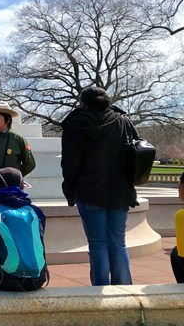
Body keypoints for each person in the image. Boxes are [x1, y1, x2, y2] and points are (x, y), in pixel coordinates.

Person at [61, 86, 136, 286]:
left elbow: (70, 163)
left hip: (89, 191)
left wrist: (70, 191)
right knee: (118, 243)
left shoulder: (75, 124)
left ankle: (99, 291)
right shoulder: (122, 121)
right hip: (119, 191)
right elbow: (135, 153)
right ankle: (124, 291)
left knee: (98, 244)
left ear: (83, 103)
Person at [0, 101, 35, 200]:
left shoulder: (18, 140)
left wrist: (13, 176)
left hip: (12, 190)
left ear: (7, 119)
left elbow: (29, 164)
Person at [170, 172, 184, 283]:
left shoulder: (181, 216)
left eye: (180, 183)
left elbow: (182, 252)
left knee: (176, 253)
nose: (178, 187)